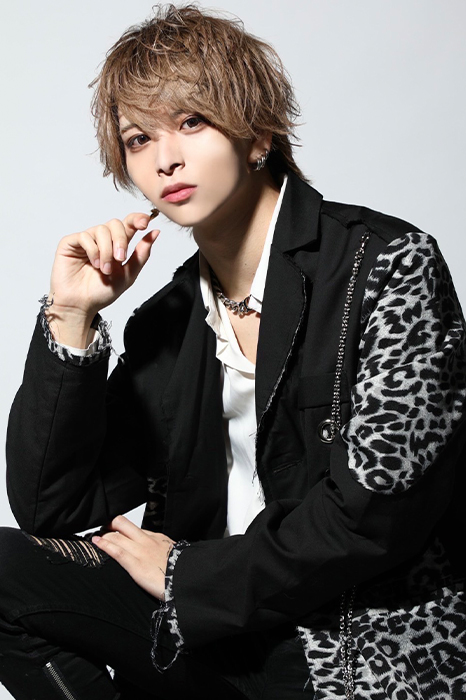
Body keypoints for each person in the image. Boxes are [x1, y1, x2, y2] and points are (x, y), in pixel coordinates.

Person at [1, 4, 465, 699]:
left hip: (347, 642)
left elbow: (376, 513)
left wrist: (187, 575)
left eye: (192, 122)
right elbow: (53, 508)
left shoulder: (387, 265)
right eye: (138, 138)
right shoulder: (168, 320)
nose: (165, 158)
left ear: (257, 135)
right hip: (204, 631)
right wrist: (72, 316)